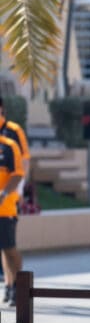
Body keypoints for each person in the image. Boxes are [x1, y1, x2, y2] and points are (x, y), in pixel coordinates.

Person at [0, 129, 25, 307]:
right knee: (3, 249)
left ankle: (19, 285)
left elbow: (17, 174)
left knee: (9, 249)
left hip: (5, 209)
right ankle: (9, 285)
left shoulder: (9, 146)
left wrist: (4, 193)